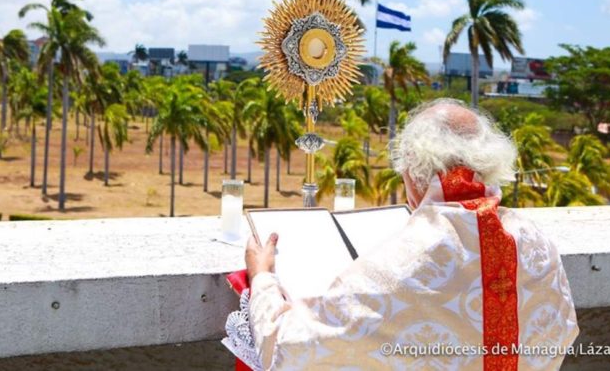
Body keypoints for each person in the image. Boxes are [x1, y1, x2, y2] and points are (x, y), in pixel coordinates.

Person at [238, 98, 578, 370]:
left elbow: (287, 350)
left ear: (413, 173)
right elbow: (564, 329)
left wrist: (263, 280)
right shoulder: (537, 242)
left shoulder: (395, 265)